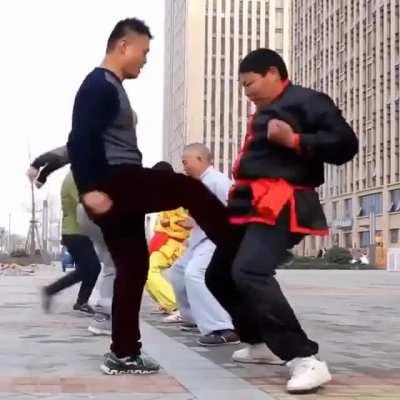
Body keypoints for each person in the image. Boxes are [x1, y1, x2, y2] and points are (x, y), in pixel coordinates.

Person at [66, 18, 230, 375]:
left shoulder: (108, 86)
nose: (145, 60)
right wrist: (90, 189)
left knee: (133, 268)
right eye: (144, 52)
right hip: (117, 180)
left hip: (113, 188)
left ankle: (123, 353)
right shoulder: (99, 85)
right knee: (189, 187)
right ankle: (237, 249)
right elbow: (79, 140)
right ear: (124, 46)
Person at [204, 49, 358, 393]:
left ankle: (304, 359)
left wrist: (295, 140)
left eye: (250, 83)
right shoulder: (265, 110)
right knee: (218, 275)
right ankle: (259, 343)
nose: (247, 92)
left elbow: (346, 144)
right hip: (248, 204)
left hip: (282, 201)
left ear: (273, 73)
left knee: (250, 271)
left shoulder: (307, 100)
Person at [168, 144, 239, 345]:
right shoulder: (200, 183)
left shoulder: (217, 181)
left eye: (185, 162)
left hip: (216, 239)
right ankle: (193, 318)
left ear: (199, 159)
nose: (184, 167)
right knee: (178, 273)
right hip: (200, 239)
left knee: (195, 274)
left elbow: (234, 211)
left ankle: (223, 328)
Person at [41, 171, 101, 314]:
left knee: (87, 269)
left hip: (78, 232)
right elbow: (86, 204)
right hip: (74, 232)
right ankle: (57, 293)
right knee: (92, 268)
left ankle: (76, 300)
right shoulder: (74, 178)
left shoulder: (77, 176)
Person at [145, 162, 191, 314]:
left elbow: (190, 219)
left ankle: (175, 305)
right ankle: (168, 303)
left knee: (149, 270)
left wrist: (170, 222)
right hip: (166, 241)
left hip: (174, 243)